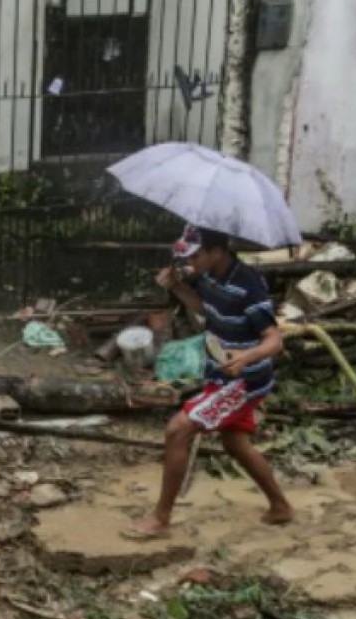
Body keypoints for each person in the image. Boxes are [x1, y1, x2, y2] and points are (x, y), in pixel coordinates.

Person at [125, 225, 293, 539]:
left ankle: (161, 518)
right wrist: (177, 286)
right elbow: (207, 309)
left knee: (178, 429)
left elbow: (275, 341)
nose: (192, 262)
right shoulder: (209, 276)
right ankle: (280, 506)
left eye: (197, 255)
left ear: (218, 252)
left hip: (242, 380)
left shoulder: (248, 284)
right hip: (221, 373)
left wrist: (245, 358)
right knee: (235, 443)